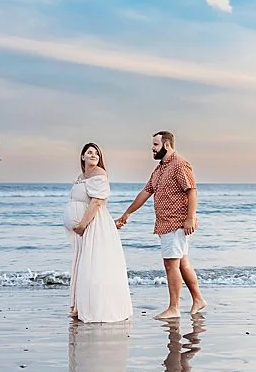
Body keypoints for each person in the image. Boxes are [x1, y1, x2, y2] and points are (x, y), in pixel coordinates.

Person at [116, 131, 205, 320]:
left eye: (155, 145)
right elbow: (145, 192)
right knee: (181, 262)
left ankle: (174, 308)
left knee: (171, 264)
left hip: (176, 222)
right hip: (164, 223)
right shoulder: (159, 169)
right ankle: (198, 299)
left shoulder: (179, 164)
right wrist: (127, 213)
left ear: (166, 145)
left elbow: (192, 192)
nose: (152, 149)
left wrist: (190, 218)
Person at [66, 143, 133, 322]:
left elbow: (96, 202)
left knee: (94, 266)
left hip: (92, 225)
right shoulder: (81, 176)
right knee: (84, 266)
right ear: (82, 157)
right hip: (86, 226)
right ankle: (80, 306)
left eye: (96, 153)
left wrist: (82, 225)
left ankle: (96, 308)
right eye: (89, 152)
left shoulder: (100, 174)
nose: (93, 155)